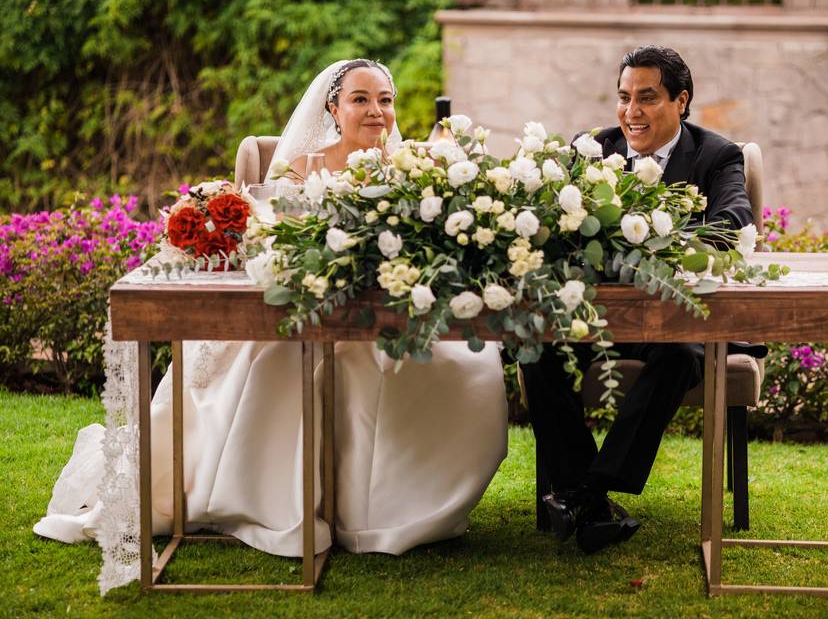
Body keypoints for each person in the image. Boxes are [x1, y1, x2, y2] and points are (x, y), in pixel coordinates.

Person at [35, 59, 509, 559]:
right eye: (361, 99)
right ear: (334, 108)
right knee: (285, 361)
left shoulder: (413, 170)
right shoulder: (300, 169)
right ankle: (283, 501)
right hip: (308, 309)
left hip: (387, 313)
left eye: (385, 100)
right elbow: (268, 248)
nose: (376, 111)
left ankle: (392, 509)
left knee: (465, 364)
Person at [521, 45, 761, 554]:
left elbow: (735, 219)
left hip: (677, 322)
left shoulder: (718, 155)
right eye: (624, 97)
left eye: (647, 98)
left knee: (680, 355)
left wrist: (654, 241)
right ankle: (594, 502)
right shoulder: (590, 148)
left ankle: (588, 493)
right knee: (537, 353)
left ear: (681, 101)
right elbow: (550, 225)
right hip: (595, 319)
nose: (632, 111)